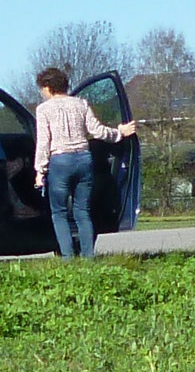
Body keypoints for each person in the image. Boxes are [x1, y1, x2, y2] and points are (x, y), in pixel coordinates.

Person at [33, 67, 131, 259]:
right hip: (84, 159)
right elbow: (97, 131)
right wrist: (119, 133)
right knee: (83, 211)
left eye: (41, 89)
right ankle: (88, 257)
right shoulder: (81, 104)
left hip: (60, 160)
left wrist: (40, 170)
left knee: (59, 212)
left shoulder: (44, 109)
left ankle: (68, 258)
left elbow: (44, 142)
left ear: (48, 87)